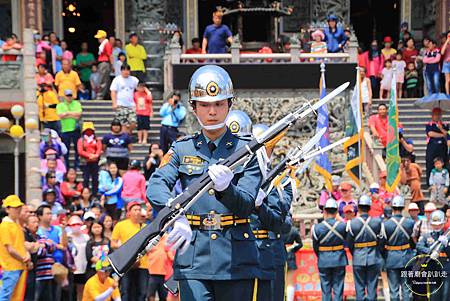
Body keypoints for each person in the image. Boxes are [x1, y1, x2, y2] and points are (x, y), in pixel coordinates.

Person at [148, 65, 263, 301]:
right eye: (205, 105)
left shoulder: (248, 150)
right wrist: (174, 214)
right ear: (193, 107)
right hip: (193, 256)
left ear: (230, 105)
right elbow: (156, 185)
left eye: (219, 104)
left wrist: (226, 190)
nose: (212, 111)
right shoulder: (181, 148)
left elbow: (247, 205)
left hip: (236, 258)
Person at [347, 195, 384, 301]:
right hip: (373, 257)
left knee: (359, 289)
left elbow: (350, 244)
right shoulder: (377, 222)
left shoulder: (352, 223)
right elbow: (381, 242)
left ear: (358, 207)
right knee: (372, 287)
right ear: (370, 207)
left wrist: (356, 253)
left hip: (358, 257)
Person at [111, 202, 149, 301]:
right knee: (125, 290)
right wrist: (125, 249)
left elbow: (150, 246)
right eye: (135, 210)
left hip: (142, 264)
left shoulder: (145, 227)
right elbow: (113, 244)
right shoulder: (120, 225)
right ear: (129, 212)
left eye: (139, 210)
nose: (137, 212)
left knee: (142, 292)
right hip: (126, 263)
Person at [311, 198, 347, 301]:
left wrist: (322, 255)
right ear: (336, 212)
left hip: (324, 259)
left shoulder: (316, 228)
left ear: (325, 211)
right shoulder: (343, 226)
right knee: (338, 289)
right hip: (339, 259)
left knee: (325, 290)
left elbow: (315, 247)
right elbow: (347, 241)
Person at [382, 195, 415, 301]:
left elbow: (382, 243)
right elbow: (413, 241)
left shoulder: (386, 224)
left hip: (392, 258)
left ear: (392, 207)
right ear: (403, 207)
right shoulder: (410, 222)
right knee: (406, 288)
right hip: (406, 257)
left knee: (394, 289)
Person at [0, 195, 30, 301]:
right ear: (7, 209)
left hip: (20, 266)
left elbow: (21, 245)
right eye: (15, 207)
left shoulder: (16, 225)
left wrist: (27, 256)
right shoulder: (4, 226)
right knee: (5, 296)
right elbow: (10, 249)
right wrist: (24, 258)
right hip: (11, 267)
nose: (18, 210)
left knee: (17, 297)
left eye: (19, 207)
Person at [416, 210, 450, 300]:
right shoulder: (427, 235)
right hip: (433, 268)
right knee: (434, 295)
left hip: (446, 269)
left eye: (439, 224)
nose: (437, 226)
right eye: (435, 224)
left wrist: (447, 245)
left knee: (446, 296)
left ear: (443, 223)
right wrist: (430, 252)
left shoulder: (447, 236)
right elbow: (419, 246)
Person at [56, 89, 82, 169]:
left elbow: (79, 114)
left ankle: (76, 164)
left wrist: (67, 113)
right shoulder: (60, 105)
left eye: (70, 95)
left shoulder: (77, 104)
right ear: (64, 96)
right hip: (65, 130)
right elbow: (60, 115)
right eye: (68, 96)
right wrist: (72, 114)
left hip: (75, 129)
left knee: (77, 148)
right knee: (65, 149)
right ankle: (66, 165)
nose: (69, 97)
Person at [110, 64, 139, 135]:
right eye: (124, 70)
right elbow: (113, 91)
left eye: (127, 70)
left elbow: (139, 89)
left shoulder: (134, 80)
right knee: (123, 123)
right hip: (120, 104)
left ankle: (129, 132)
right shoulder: (117, 79)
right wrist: (114, 103)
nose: (126, 72)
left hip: (132, 105)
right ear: (121, 71)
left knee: (133, 122)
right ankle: (126, 137)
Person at [67, 215, 90, 300]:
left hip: (84, 267)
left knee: (81, 289)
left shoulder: (86, 237)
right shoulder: (68, 237)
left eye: (78, 224)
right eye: (73, 225)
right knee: (71, 290)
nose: (76, 226)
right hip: (72, 268)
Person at [425, 107, 449, 185]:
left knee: (443, 164)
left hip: (442, 147)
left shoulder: (445, 125)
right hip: (432, 147)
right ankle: (430, 184)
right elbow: (430, 134)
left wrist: (441, 128)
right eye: (435, 114)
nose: (437, 116)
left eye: (439, 114)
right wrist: (442, 135)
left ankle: (445, 183)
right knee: (430, 164)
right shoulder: (429, 124)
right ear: (432, 115)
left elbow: (447, 134)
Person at [77, 122, 103, 195]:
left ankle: (95, 194)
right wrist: (89, 155)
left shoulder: (97, 140)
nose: (89, 132)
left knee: (95, 179)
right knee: (86, 179)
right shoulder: (81, 140)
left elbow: (99, 148)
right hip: (85, 162)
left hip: (95, 162)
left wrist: (96, 155)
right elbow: (80, 151)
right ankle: (85, 193)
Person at [94, 30, 114, 100]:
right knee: (103, 79)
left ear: (103, 37)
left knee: (103, 80)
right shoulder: (103, 44)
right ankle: (103, 95)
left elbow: (110, 55)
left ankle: (100, 96)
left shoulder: (107, 44)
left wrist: (112, 65)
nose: (98, 39)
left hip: (105, 63)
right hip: (103, 63)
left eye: (99, 38)